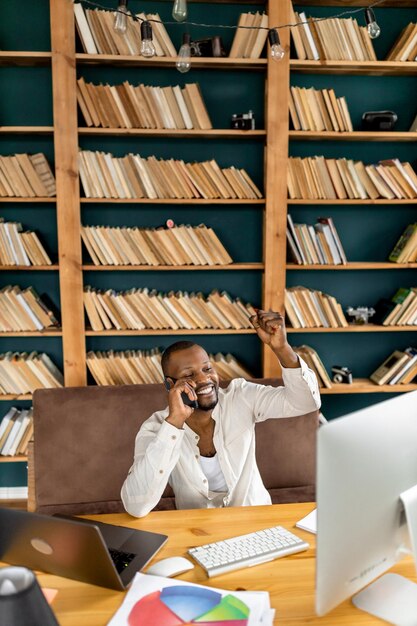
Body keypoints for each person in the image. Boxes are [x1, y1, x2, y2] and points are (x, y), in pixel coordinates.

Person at [121, 309, 320, 517]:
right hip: (198, 531)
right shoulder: (156, 428)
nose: (204, 379)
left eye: (207, 369)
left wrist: (281, 348)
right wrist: (173, 424)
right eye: (189, 374)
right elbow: (136, 507)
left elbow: (306, 401)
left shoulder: (240, 396)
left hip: (257, 523)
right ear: (171, 384)